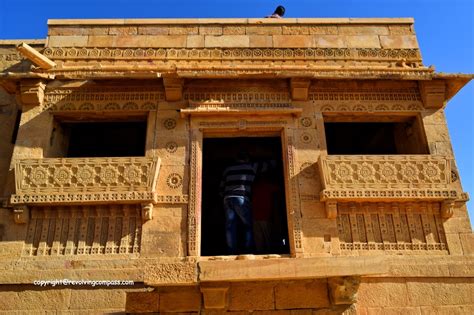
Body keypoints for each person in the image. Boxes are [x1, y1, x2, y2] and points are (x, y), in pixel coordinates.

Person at [219, 151, 272, 255]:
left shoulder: (227, 169)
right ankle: (248, 251)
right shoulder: (251, 166)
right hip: (241, 198)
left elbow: (221, 188)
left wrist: (225, 196)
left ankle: (231, 251)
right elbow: (271, 164)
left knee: (230, 226)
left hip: (227, 199)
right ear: (247, 159)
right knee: (248, 225)